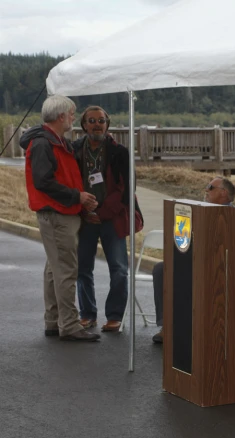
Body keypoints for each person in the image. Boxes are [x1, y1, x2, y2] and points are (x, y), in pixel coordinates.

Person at [20, 95, 100, 342]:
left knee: (54, 269)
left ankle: (54, 321)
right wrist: (78, 196)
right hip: (57, 214)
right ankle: (69, 324)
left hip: (59, 213)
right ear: (60, 116)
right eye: (72, 114)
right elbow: (43, 181)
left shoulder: (53, 141)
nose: (74, 118)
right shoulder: (45, 143)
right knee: (65, 269)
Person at [73, 106, 141, 333]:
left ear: (107, 124)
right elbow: (69, 184)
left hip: (112, 218)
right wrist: (84, 209)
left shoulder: (119, 152)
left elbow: (126, 189)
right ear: (84, 125)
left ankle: (114, 316)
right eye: (91, 120)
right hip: (83, 218)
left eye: (101, 120)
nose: (96, 124)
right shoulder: (74, 151)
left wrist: (100, 213)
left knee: (119, 269)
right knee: (83, 268)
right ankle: (87, 314)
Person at [151, 177, 235, 343]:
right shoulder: (197, 211)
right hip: (193, 260)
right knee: (161, 269)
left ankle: (205, 328)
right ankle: (167, 325)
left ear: (223, 193)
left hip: (220, 266)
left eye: (210, 187)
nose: (206, 190)